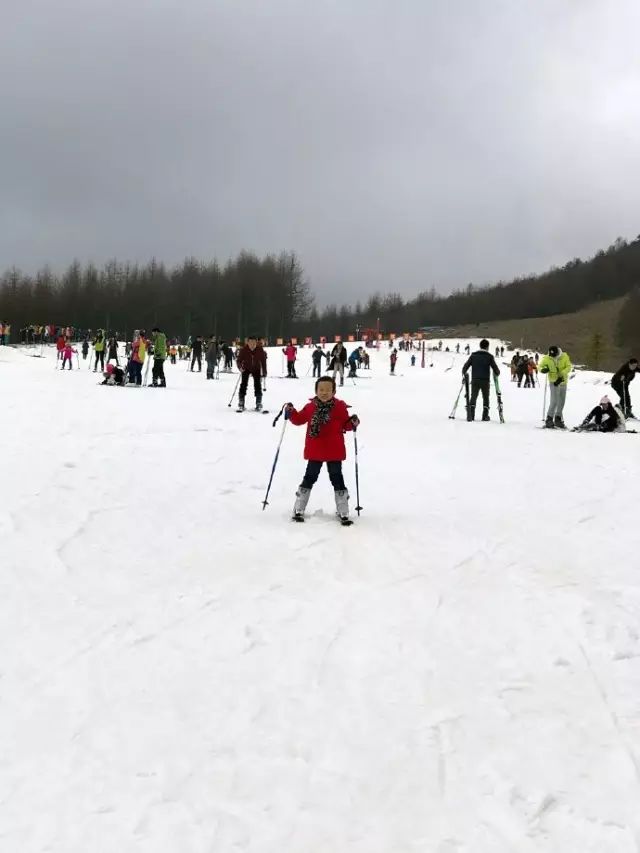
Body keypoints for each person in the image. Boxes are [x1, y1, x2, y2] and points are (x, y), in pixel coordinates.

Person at [285, 376, 360, 523]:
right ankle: (299, 506)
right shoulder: (311, 407)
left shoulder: (339, 407)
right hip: (316, 450)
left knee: (337, 477)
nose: (324, 392)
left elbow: (346, 425)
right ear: (316, 391)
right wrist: (291, 412)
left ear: (334, 391)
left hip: (334, 450)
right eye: (321, 389)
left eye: (328, 390)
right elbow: (299, 419)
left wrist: (353, 423)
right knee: (310, 477)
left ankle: (342, 508)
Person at [462, 339, 500, 421]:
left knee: (473, 397)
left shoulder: (473, 355)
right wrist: (496, 373)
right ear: (487, 347)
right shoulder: (489, 357)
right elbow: (496, 370)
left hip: (475, 380)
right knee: (486, 398)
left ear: (480, 346)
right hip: (485, 381)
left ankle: (471, 415)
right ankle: (485, 416)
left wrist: (465, 375)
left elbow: (464, 368)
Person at [538, 345, 572, 428]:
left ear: (557, 353)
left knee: (561, 401)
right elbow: (540, 366)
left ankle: (558, 418)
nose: (552, 356)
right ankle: (549, 419)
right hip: (553, 381)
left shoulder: (564, 356)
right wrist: (543, 369)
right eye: (551, 354)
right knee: (554, 401)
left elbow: (569, 367)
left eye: (554, 355)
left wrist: (562, 373)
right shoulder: (547, 358)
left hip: (562, 381)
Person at [236, 335, 267, 411]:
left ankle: (258, 402)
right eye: (250, 343)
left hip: (256, 368)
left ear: (256, 342)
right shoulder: (244, 349)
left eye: (254, 343)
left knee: (257, 384)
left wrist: (264, 371)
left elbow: (263, 361)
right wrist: (240, 367)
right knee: (243, 384)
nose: (252, 345)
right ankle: (241, 401)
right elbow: (238, 360)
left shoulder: (260, 349)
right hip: (246, 368)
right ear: (248, 343)